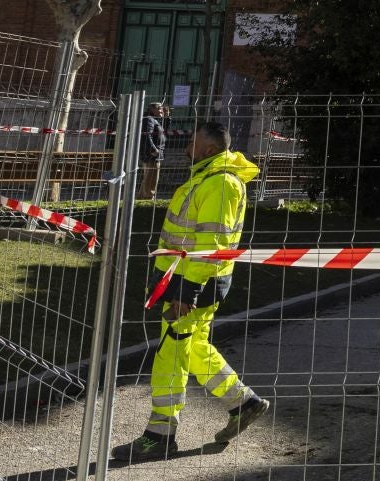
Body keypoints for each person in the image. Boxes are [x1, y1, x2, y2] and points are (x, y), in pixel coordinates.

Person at [116, 120, 270, 461]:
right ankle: (243, 403)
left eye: (193, 142)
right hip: (184, 283)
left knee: (172, 355)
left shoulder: (221, 183)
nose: (187, 147)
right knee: (194, 347)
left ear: (210, 149)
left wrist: (187, 291)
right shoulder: (208, 178)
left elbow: (211, 244)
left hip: (192, 287)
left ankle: (159, 436)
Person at [140, 103, 167, 199]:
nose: (162, 111)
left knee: (148, 180)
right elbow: (147, 135)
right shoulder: (149, 119)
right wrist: (154, 150)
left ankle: (142, 198)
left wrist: (167, 117)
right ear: (152, 109)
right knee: (151, 181)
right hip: (151, 156)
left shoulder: (154, 120)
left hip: (154, 155)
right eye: (160, 109)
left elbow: (164, 131)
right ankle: (148, 200)